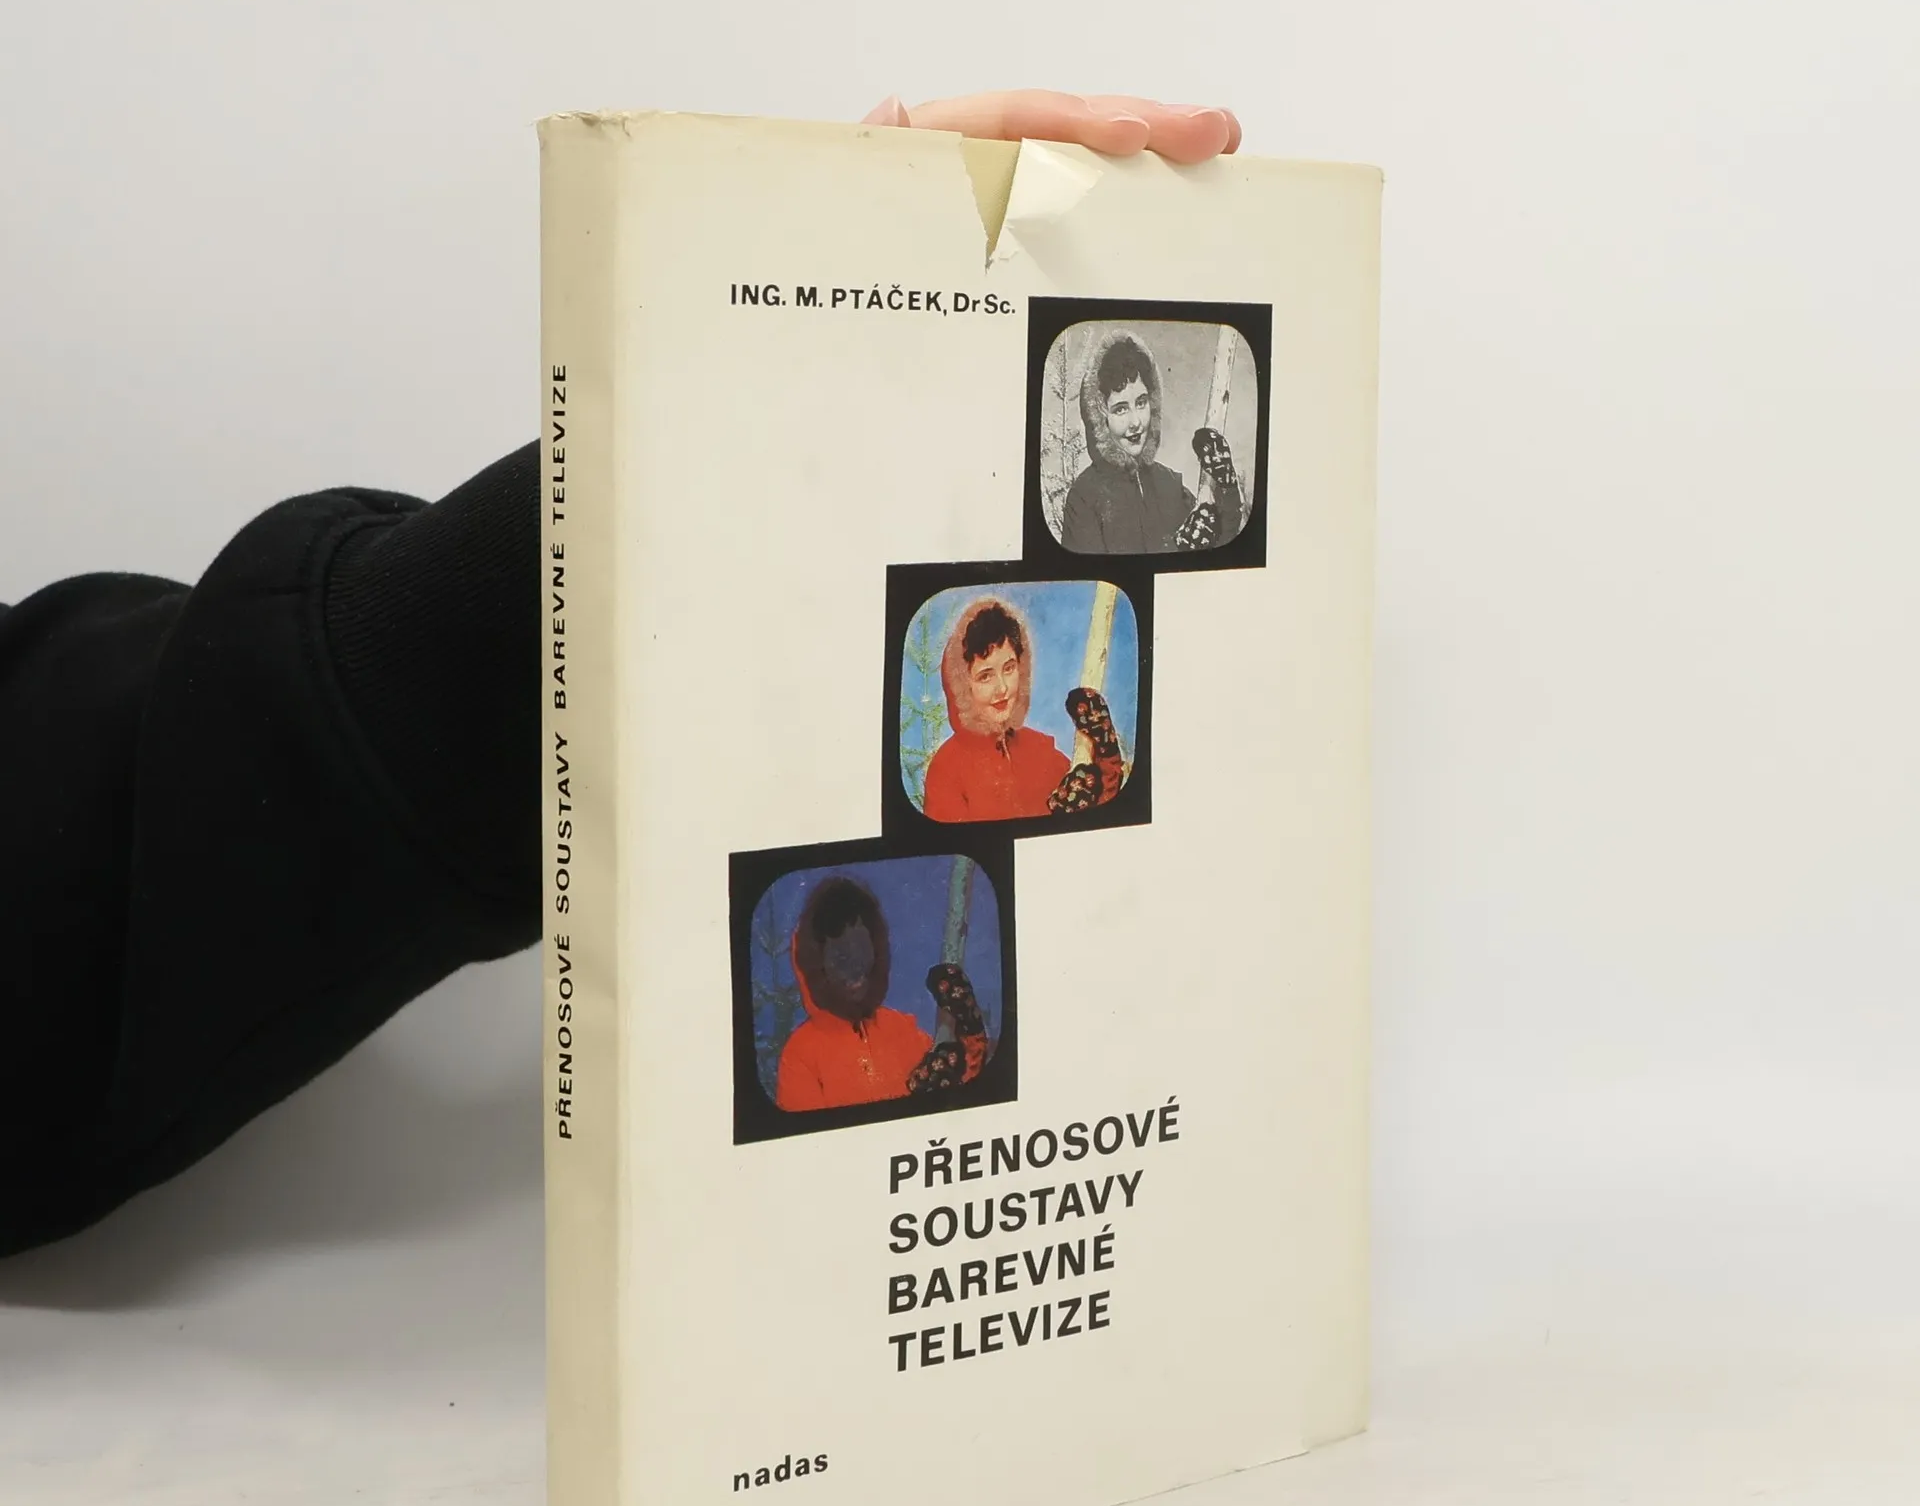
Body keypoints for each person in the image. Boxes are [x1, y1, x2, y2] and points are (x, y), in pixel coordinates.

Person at [0, 89, 1240, 1258]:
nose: (1007, 693)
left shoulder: (988, 855)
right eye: (990, 674)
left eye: (1017, 674)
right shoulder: (877, 921)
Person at [774, 876, 988, 1111]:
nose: (854, 966)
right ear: (817, 963)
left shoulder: (903, 1032)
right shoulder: (800, 1056)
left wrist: (968, 1032)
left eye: (861, 948)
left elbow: (969, 1098)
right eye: (840, 955)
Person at [921, 594, 1124, 822]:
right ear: (962, 685)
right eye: (985, 676)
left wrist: (1105, 752)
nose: (1002, 688)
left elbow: (1103, 815)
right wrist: (1052, 818)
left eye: (1009, 668)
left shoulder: (1040, 751)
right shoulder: (946, 769)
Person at [1059, 327, 1245, 555]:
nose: (1136, 422)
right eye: (1120, 409)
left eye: (1141, 403)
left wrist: (1226, 486)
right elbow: (1096, 575)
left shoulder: (1169, 486)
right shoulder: (1084, 498)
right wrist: (1176, 547)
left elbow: (1221, 548)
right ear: (1099, 418)